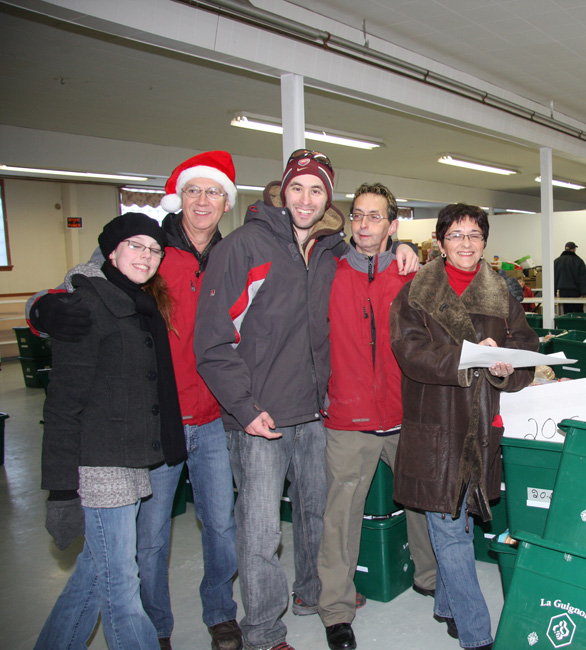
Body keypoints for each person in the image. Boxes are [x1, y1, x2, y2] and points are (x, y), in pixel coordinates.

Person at [194, 149, 416, 650]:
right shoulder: (245, 248)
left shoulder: (330, 253)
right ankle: (263, 631)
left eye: (316, 190)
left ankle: (313, 594)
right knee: (260, 533)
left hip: (317, 413)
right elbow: (211, 341)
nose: (305, 199)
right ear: (281, 190)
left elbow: (371, 265)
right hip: (261, 417)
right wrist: (245, 409)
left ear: (327, 199)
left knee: (317, 516)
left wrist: (406, 249)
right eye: (298, 188)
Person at [28, 151, 243, 650]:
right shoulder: (150, 246)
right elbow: (81, 281)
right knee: (148, 540)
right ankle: (156, 626)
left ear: (226, 203)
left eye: (214, 192)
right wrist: (40, 306)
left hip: (212, 415)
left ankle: (220, 613)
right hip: (157, 420)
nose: (203, 201)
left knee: (220, 525)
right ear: (180, 198)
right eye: (194, 190)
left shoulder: (234, 254)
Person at [390, 204, 537, 650]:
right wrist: (468, 355)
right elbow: (408, 350)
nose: (466, 243)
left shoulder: (502, 295)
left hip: (478, 425)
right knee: (451, 528)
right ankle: (477, 635)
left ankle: (446, 606)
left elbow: (526, 353)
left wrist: (502, 368)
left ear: (485, 243)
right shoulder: (416, 292)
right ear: (439, 242)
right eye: (456, 235)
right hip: (434, 424)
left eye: (475, 235)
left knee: (463, 521)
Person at [36, 213, 179, 650]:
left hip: (131, 457)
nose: (147, 256)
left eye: (154, 249)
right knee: (121, 584)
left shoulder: (138, 304)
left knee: (95, 572)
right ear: (111, 251)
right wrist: (61, 491)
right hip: (99, 465)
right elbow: (62, 406)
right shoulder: (87, 305)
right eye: (136, 246)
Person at [316, 182, 436, 650]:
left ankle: (429, 578)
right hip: (348, 417)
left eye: (375, 216)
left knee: (424, 505)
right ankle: (336, 610)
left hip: (405, 415)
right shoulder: (326, 270)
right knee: (340, 516)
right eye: (358, 215)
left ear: (392, 224)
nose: (365, 225)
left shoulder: (413, 277)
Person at [553, 241, 586, 313]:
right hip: (576, 292)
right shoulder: (579, 261)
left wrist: (553, 292)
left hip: (563, 292)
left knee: (567, 312)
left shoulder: (556, 261)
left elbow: (553, 278)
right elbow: (582, 278)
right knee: (578, 313)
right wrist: (583, 292)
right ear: (574, 249)